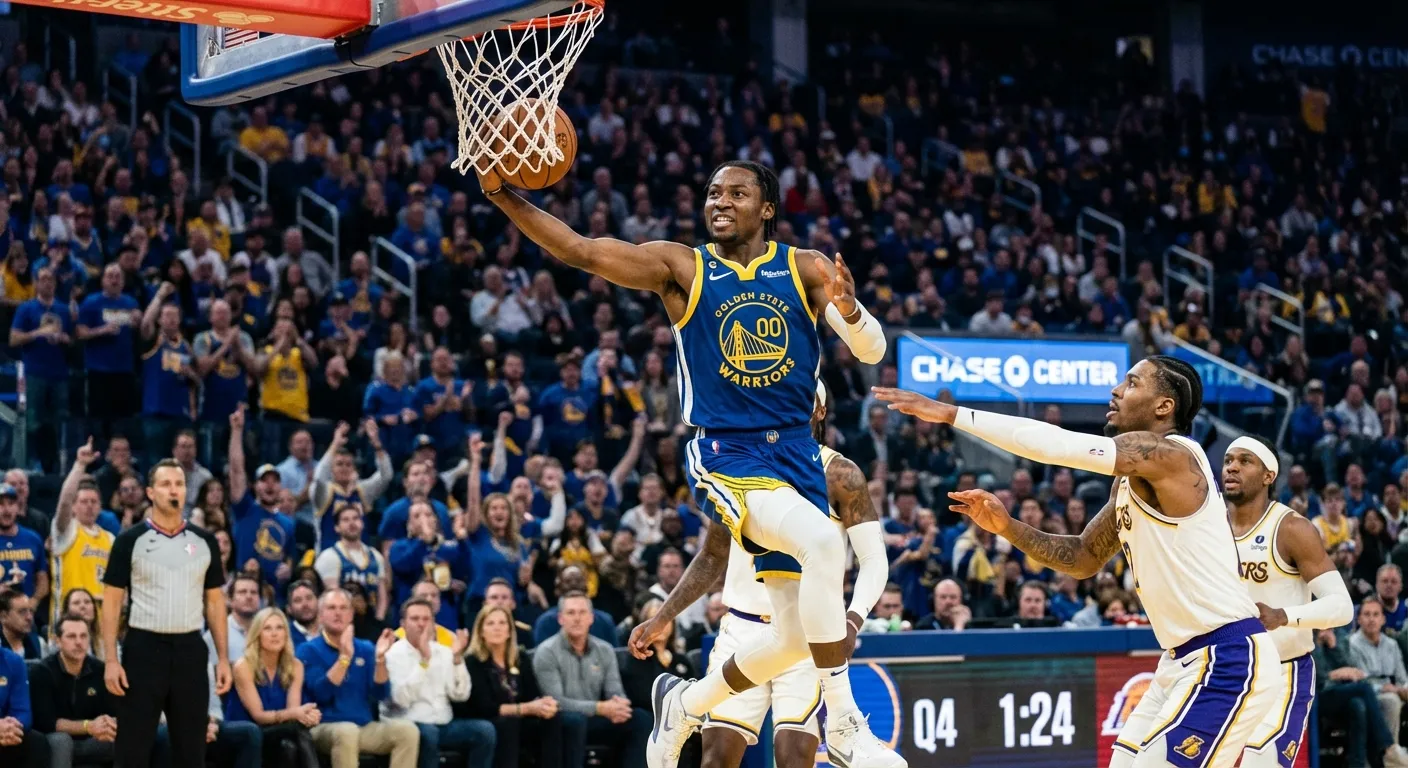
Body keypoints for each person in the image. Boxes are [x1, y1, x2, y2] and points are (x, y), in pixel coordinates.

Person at [480, 158, 892, 768]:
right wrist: (504, 195)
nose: (719, 201)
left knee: (797, 634)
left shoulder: (805, 268)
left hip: (797, 455)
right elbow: (582, 250)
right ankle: (847, 720)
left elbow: (872, 349)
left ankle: (684, 703)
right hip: (728, 451)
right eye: (712, 193)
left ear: (768, 208)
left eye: (736, 193)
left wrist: (852, 311)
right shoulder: (682, 266)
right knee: (827, 550)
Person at [875, 356, 1284, 768]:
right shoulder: (1132, 479)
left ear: (1164, 405)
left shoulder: (1172, 457)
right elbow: (1082, 557)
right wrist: (1008, 527)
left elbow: (1057, 444)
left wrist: (950, 414)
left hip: (1227, 657)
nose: (1116, 391)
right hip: (1181, 661)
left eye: (1132, 383)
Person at [632, 382, 891, 768]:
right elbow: (711, 555)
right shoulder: (739, 468)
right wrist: (663, 616)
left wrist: (852, 619)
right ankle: (680, 706)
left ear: (818, 411)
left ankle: (684, 703)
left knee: (795, 759)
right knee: (717, 759)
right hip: (743, 628)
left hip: (808, 637)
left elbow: (874, 560)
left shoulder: (840, 474)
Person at [1224, 435, 1353, 767]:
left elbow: (1341, 606)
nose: (1232, 467)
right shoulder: (1209, 529)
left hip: (1283, 673)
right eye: (1228, 460)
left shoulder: (1292, 528)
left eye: (1244, 460)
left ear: (1269, 475)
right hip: (1225, 673)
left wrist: (1283, 616)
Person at [101, 458, 232, 768]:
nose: (173, 490)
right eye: (165, 484)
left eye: (179, 484)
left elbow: (214, 603)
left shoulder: (205, 542)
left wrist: (223, 658)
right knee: (133, 750)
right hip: (143, 649)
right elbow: (111, 603)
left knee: (191, 752)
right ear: (150, 492)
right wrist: (110, 659)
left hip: (190, 650)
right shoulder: (128, 541)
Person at [296, 588, 418, 768]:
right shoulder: (308, 650)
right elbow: (321, 693)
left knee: (407, 731)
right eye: (331, 608)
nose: (338, 613)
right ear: (320, 615)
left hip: (363, 727)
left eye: (343, 608)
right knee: (347, 731)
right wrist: (344, 657)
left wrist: (380, 660)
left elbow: (380, 693)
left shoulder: (365, 648)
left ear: (351, 614)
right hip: (324, 727)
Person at [533, 592, 648, 768]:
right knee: (573, 721)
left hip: (595, 719)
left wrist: (619, 705)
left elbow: (615, 690)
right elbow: (556, 702)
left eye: (582, 612)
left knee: (640, 718)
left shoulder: (605, 649)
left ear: (591, 618)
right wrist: (600, 708)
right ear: (560, 619)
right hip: (561, 722)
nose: (577, 618)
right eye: (571, 613)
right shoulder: (546, 652)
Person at [383, 597, 496, 768]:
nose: (421, 624)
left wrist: (457, 659)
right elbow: (401, 699)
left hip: (444, 723)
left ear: (433, 623)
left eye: (426, 619)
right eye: (415, 619)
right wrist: (424, 662)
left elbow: (460, 695)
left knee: (485, 731)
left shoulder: (444, 652)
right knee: (429, 734)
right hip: (411, 724)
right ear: (403, 624)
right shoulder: (392, 655)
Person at [461, 604, 561, 768]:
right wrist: (525, 709)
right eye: (490, 623)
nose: (497, 628)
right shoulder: (472, 662)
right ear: (481, 631)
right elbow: (484, 707)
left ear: (509, 631)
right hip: (489, 720)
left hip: (519, 717)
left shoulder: (520, 657)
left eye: (502, 623)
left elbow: (532, 694)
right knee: (509, 724)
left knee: (552, 718)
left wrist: (545, 704)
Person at [228, 607, 322, 768]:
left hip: (281, 731)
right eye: (267, 628)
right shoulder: (243, 666)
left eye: (280, 628)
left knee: (289, 746)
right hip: (249, 734)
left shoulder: (295, 665)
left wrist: (306, 716)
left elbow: (293, 712)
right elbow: (258, 716)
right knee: (297, 733)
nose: (274, 634)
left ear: (286, 633)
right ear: (257, 634)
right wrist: (297, 713)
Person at [30, 613, 116, 767]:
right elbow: (47, 722)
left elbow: (110, 711)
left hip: (94, 741)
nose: (79, 642)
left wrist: (109, 723)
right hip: (56, 742)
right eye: (71, 636)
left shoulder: (100, 670)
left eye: (83, 636)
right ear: (58, 641)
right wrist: (88, 726)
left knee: (125, 739)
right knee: (62, 742)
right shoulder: (41, 672)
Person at [227, 406, 297, 591]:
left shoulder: (288, 523)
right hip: (245, 588)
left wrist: (288, 568)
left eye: (275, 481)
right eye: (264, 481)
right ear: (255, 486)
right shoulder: (245, 509)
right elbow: (236, 469)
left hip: (274, 594)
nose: (270, 485)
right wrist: (236, 431)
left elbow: (290, 556)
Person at [49, 439, 115, 630]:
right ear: (74, 506)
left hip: (101, 628)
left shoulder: (110, 539)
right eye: (84, 501)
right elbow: (63, 502)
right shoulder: (67, 531)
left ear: (100, 506)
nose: (89, 506)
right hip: (67, 624)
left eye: (94, 502)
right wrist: (80, 465)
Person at [310, 420, 393, 551]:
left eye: (348, 464)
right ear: (331, 469)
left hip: (361, 559)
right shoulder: (325, 491)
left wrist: (377, 445)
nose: (344, 468)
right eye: (339, 464)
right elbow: (319, 478)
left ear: (355, 469)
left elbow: (386, 476)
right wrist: (335, 445)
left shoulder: (362, 490)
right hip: (329, 559)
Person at [1349, 597, 1408, 750]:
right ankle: (1391, 752)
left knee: (1395, 697)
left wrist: (1403, 689)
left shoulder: (1392, 644)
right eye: (1367, 614)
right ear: (1359, 619)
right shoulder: (1352, 644)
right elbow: (1359, 681)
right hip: (1369, 693)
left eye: (1376, 615)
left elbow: (1402, 678)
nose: (1371, 619)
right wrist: (1386, 689)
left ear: (1383, 619)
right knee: (1391, 701)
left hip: (1394, 691)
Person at [315, 504, 389, 622]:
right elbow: (332, 596)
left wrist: (378, 622)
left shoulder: (376, 556)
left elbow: (382, 596)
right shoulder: (329, 557)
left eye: (355, 518)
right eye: (346, 520)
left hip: (371, 623)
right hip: (342, 622)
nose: (352, 523)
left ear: (362, 523)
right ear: (337, 527)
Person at [0, 642, 46, 768]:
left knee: (36, 742)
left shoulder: (13, 661)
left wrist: (10, 727)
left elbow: (23, 711)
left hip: (4, 734)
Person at [0, 482, 47, 600]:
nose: (6, 510)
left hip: (25, 613)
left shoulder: (33, 539)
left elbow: (43, 581)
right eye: (0, 504)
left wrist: (33, 603)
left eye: (11, 504)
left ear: (18, 507)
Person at [286, 581, 321, 647]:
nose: (305, 604)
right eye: (298, 600)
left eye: (309, 598)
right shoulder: (285, 637)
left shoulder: (331, 630)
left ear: (318, 601)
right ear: (289, 609)